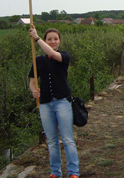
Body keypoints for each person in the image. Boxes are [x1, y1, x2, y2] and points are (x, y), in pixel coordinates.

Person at [28, 24, 80, 178]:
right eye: (49, 39)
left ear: (59, 41)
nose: (52, 42)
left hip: (62, 102)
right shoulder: (38, 60)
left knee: (68, 139)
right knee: (51, 141)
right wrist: (33, 91)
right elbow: (32, 81)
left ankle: (73, 172)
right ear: (46, 40)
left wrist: (36, 37)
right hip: (45, 104)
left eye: (55, 39)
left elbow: (51, 53)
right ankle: (55, 172)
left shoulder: (64, 57)